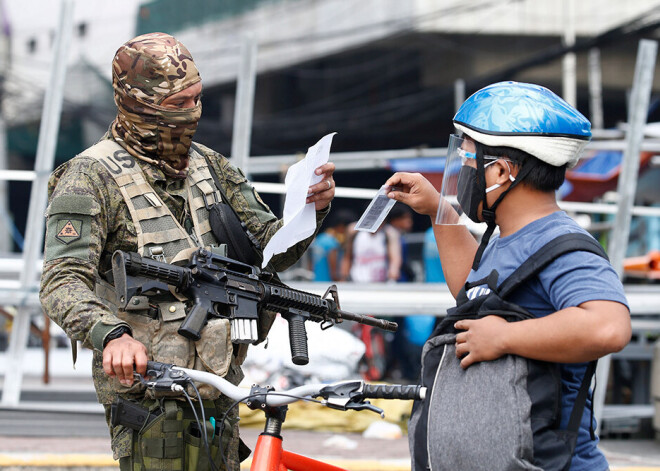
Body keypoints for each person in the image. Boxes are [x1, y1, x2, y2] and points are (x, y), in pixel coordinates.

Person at [39, 33, 336, 471]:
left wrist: (312, 210)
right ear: (138, 104)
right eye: (178, 104)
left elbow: (271, 250)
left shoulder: (211, 166)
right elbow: (62, 279)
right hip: (148, 393)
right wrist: (111, 335)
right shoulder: (90, 177)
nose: (192, 114)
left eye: (197, 99)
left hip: (218, 385)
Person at [386, 81, 631, 470]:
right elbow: (475, 292)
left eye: (468, 163)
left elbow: (607, 327)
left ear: (501, 170)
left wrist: (505, 337)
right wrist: (437, 209)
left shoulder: (561, 243)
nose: (463, 173)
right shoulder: (505, 239)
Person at [309, 209, 354, 282]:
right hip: (327, 284)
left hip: (315, 282)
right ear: (341, 226)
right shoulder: (332, 244)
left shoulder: (319, 239)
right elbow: (334, 272)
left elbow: (310, 265)